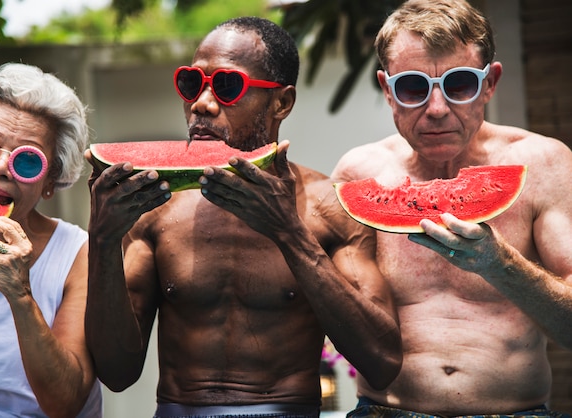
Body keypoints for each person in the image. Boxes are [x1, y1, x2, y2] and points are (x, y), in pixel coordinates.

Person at [85, 16, 402, 418]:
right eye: (190, 83)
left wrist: (289, 232)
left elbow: (382, 362)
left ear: (281, 103)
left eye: (227, 86)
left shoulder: (328, 209)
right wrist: (103, 241)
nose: (201, 103)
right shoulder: (155, 209)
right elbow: (116, 372)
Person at [331, 0, 572, 417]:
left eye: (459, 84)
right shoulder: (358, 174)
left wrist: (501, 266)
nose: (438, 109)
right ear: (388, 90)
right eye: (412, 87)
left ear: (490, 83)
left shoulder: (545, 165)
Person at [0, 63, 102, 417]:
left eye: (27, 162)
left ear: (51, 183)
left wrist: (19, 294)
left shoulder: (78, 255)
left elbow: (65, 403)